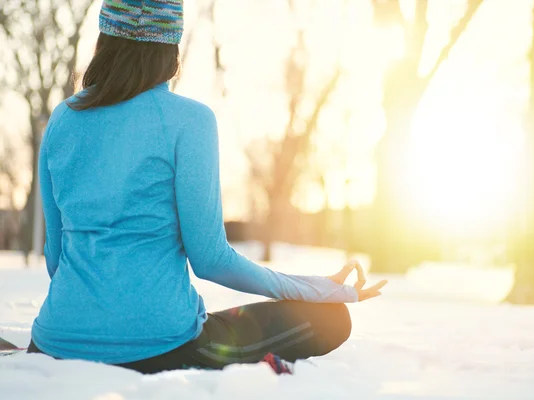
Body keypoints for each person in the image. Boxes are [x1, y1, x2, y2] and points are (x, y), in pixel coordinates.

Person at [27, 0, 387, 374]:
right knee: (332, 320)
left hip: (54, 341)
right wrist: (313, 288)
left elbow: (55, 258)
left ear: (104, 39)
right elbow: (212, 260)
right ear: (171, 47)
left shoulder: (63, 119)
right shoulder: (191, 121)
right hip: (160, 347)